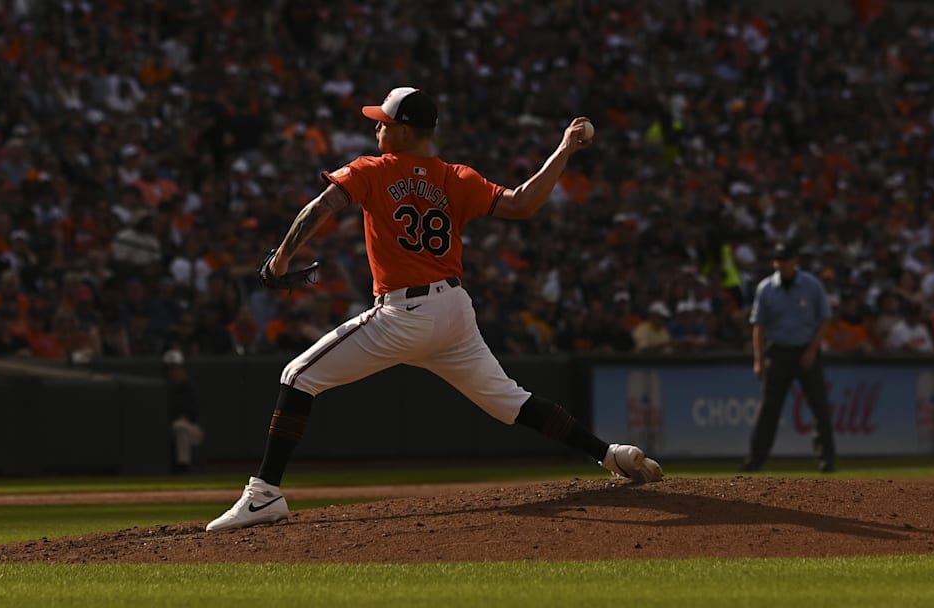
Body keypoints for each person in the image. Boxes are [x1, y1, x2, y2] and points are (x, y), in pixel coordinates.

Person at [205, 86, 663, 532]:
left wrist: (281, 258)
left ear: (404, 130)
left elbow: (322, 205)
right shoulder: (455, 176)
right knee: (513, 402)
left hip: (403, 314)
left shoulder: (374, 169)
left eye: (383, 124)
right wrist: (563, 149)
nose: (377, 131)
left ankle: (264, 493)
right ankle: (610, 454)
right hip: (454, 312)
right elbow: (523, 204)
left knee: (298, 377)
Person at [742, 242, 836, 473]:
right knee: (769, 410)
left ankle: (827, 460)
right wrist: (758, 358)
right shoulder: (766, 288)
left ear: (795, 261)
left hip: (806, 350)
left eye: (785, 259)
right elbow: (759, 327)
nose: (781, 264)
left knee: (819, 407)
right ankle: (756, 460)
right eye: (778, 260)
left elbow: (825, 319)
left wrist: (813, 349)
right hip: (778, 352)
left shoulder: (811, 285)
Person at [163, 349, 205, 473]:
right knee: (178, 427)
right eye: (170, 369)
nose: (173, 372)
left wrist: (185, 417)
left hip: (193, 430)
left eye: (176, 368)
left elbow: (195, 414)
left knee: (180, 427)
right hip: (171, 428)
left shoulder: (190, 389)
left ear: (182, 369)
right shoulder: (163, 388)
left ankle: (183, 467)